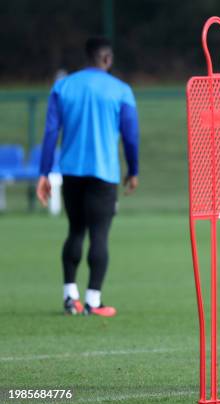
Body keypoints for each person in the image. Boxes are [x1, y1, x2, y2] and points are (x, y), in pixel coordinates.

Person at [37, 36, 140, 317]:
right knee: (99, 235)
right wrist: (133, 170)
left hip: (71, 171)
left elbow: (50, 133)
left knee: (75, 231)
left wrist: (44, 173)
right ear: (107, 59)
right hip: (103, 173)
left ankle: (71, 297)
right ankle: (93, 301)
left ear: (87, 58)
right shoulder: (120, 90)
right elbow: (130, 137)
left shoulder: (64, 86)